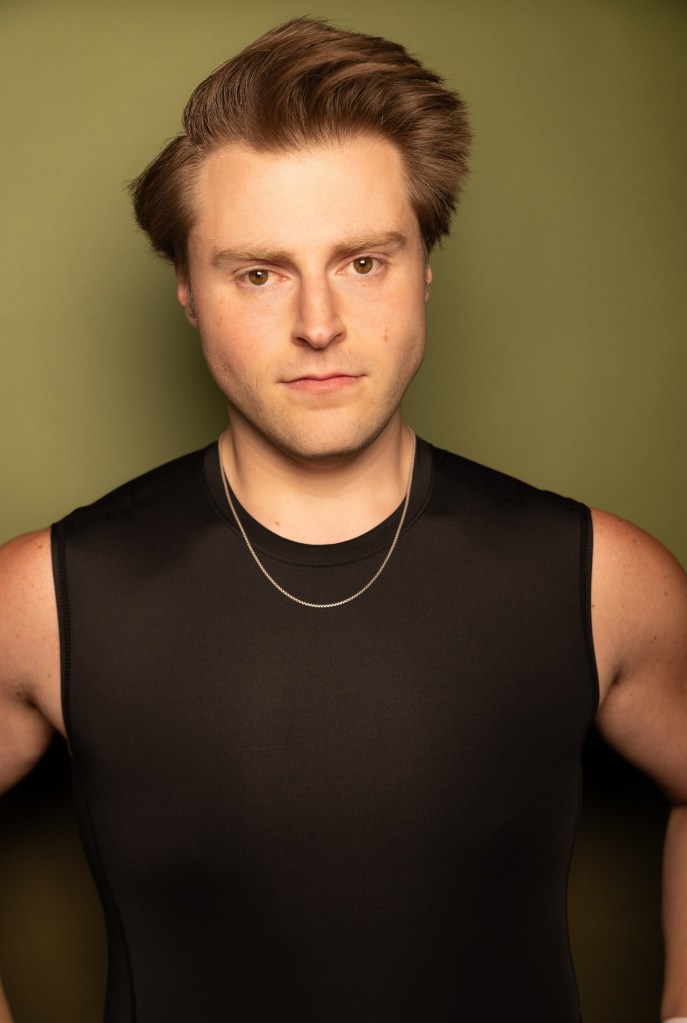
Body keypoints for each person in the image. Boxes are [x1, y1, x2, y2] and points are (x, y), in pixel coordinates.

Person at [0, 16, 685, 1022]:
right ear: (188, 291)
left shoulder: (601, 577)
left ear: (424, 267)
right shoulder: (43, 598)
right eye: (259, 272)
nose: (318, 324)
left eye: (363, 261)